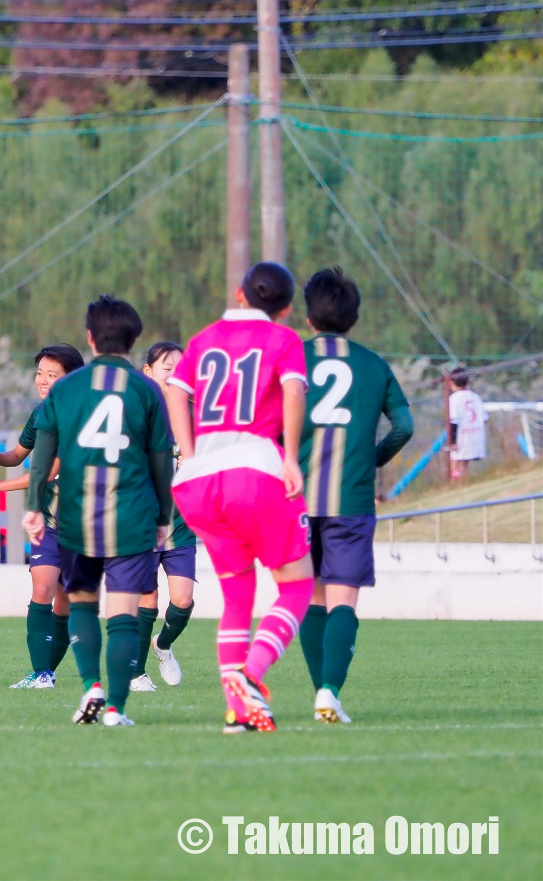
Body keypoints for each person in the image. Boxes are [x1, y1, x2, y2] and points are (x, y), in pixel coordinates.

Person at [165, 262, 314, 734]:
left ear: (240, 293)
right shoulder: (284, 340)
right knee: (296, 586)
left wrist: (189, 454)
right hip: (253, 471)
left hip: (199, 481)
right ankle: (251, 675)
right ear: (286, 309)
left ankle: (240, 711)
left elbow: (175, 391)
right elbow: (292, 392)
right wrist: (290, 456)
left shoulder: (204, 338)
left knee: (236, 595)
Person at [24, 297, 174, 727]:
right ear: (133, 340)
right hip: (132, 515)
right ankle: (117, 709)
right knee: (124, 616)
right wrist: (164, 516)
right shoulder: (147, 390)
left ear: (90, 338)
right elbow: (162, 458)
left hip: (76, 515)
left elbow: (43, 452)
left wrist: (35, 505)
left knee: (84, 605)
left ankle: (91, 685)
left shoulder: (67, 388)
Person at [297, 268, 414, 724]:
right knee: (344, 599)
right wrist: (375, 458)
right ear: (354, 316)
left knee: (310, 598)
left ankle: (320, 691)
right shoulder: (373, 365)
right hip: (351, 498)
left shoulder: (289, 359)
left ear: (309, 317)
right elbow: (404, 426)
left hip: (297, 502)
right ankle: (329, 692)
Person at [0, 344, 84, 689]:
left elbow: (49, 471)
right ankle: (42, 675)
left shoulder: (80, 415)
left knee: (65, 603)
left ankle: (46, 671)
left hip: (82, 524)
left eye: (53, 374)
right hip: (48, 522)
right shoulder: (39, 414)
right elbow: (18, 457)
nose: (44, 380)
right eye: (40, 373)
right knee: (42, 588)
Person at [130, 341, 197, 693]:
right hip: (142, 524)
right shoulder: (136, 412)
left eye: (180, 366)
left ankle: (164, 645)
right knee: (147, 601)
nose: (174, 372)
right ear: (148, 372)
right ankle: (137, 672)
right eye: (166, 366)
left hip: (181, 524)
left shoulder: (196, 414)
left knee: (183, 600)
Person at [447, 366, 488, 482]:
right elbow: (484, 418)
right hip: (474, 434)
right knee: (464, 463)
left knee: (454, 462)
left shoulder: (453, 399)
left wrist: (452, 440)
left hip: (460, 435)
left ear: (451, 382)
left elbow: (453, 421)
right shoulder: (475, 397)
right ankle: (462, 480)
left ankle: (455, 482)